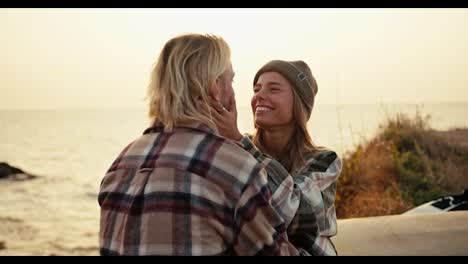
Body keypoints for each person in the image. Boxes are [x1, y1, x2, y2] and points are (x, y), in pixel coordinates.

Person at [97, 34, 302, 256]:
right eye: (230, 81)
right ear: (215, 86)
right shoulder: (236, 168)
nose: (234, 92)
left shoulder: (121, 163)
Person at [210, 59, 342, 256]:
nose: (259, 96)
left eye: (273, 89)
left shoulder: (325, 161)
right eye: (256, 89)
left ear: (299, 102)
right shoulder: (237, 147)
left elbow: (295, 210)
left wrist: (238, 141)